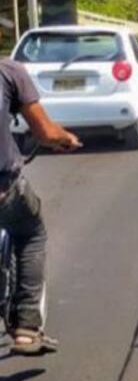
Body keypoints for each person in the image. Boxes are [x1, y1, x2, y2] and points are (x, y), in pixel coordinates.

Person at [0, 57, 81, 354]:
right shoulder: (9, 72)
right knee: (31, 234)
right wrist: (66, 139)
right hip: (4, 190)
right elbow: (46, 132)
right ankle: (26, 328)